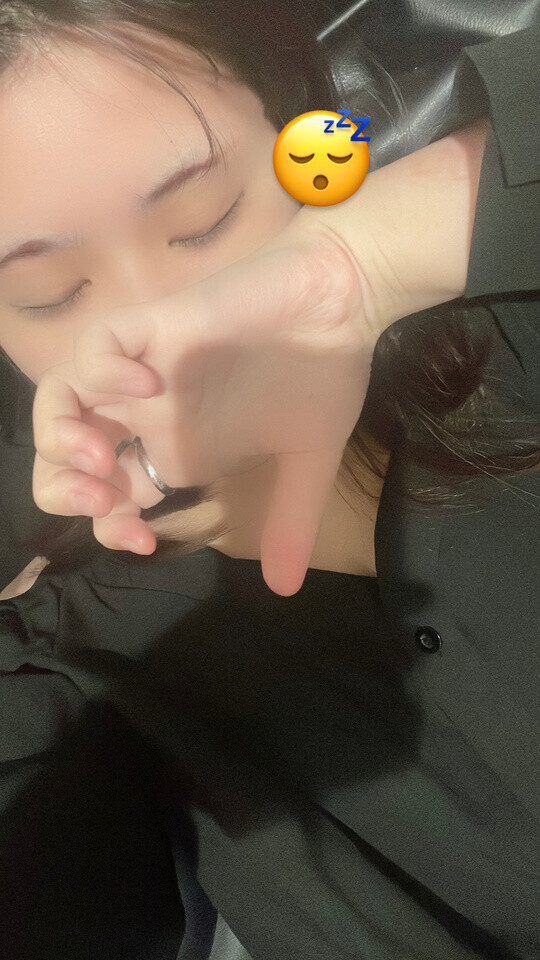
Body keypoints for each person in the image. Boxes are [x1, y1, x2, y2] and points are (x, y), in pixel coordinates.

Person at [0, 1, 539, 958]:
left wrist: (361, 261)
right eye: (52, 295)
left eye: (205, 221)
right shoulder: (72, 673)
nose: (161, 326)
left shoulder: (512, 332)